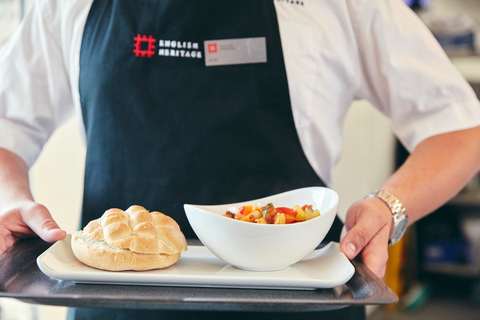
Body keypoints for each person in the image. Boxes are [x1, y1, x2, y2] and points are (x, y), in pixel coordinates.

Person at [1, 0, 480, 319]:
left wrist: (389, 206)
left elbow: (460, 127)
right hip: (110, 300)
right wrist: (10, 199)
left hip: (298, 300)